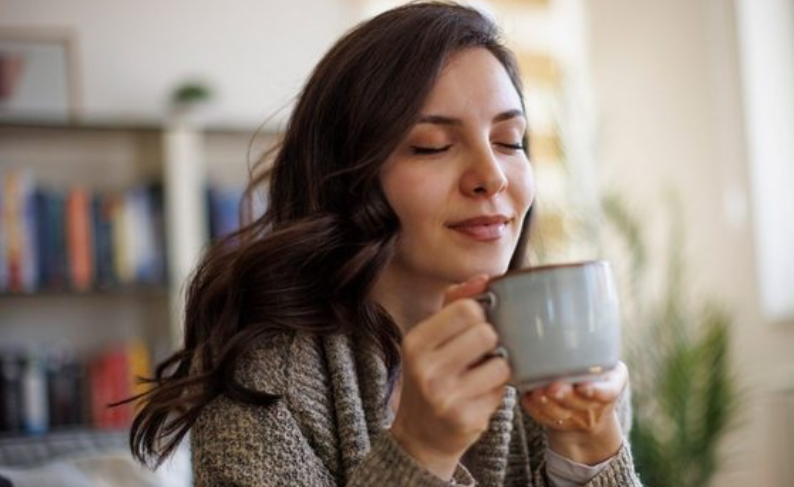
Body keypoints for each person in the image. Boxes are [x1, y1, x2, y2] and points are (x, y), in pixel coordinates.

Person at [128, 2, 642, 486]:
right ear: (348, 178)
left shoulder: (561, 359)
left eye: (509, 141)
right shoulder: (264, 388)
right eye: (431, 146)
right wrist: (420, 450)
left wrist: (590, 449)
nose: (491, 176)